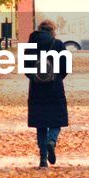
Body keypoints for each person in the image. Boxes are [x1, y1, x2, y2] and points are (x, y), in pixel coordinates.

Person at [25, 19, 69, 168]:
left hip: (37, 89)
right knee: (57, 120)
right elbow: (65, 67)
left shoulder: (31, 45)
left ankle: (43, 159)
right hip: (54, 88)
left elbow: (27, 68)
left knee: (41, 124)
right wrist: (56, 78)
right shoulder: (58, 44)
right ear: (52, 30)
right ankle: (52, 140)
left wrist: (35, 78)